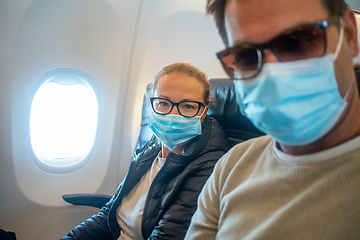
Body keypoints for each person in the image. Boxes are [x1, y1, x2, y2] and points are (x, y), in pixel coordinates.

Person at [185, 0, 360, 239]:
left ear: (349, 35)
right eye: (247, 55)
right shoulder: (232, 165)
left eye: (296, 41)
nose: (272, 71)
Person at [61, 62, 230, 240]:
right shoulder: (153, 146)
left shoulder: (209, 165)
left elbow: (167, 236)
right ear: (152, 105)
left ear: (203, 112)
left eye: (188, 106)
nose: (173, 115)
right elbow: (108, 214)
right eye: (163, 103)